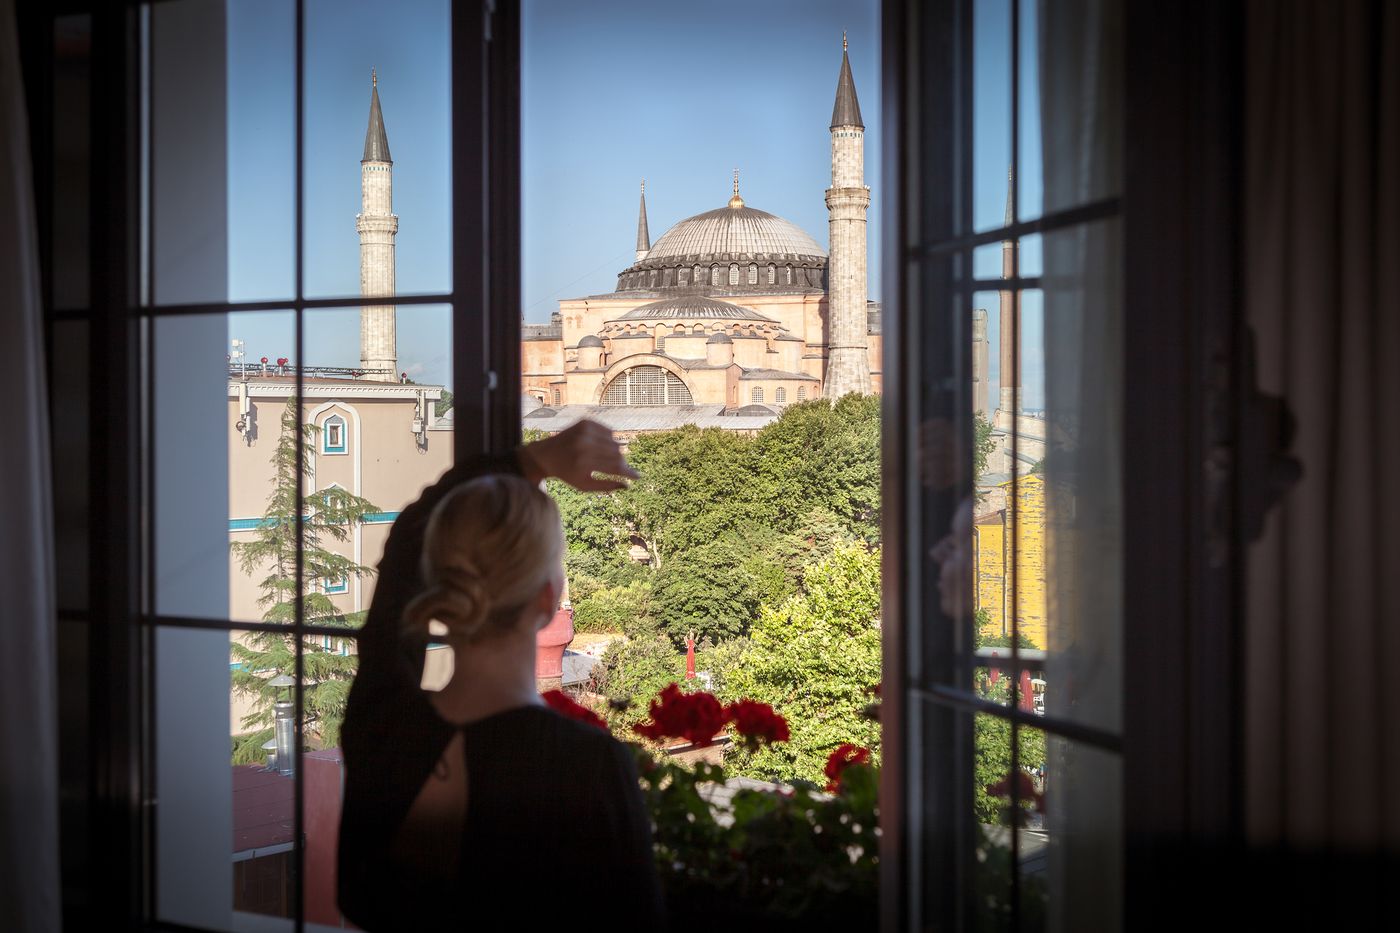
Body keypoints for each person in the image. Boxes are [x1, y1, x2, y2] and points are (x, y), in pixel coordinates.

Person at [338, 421, 664, 929]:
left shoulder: (380, 724)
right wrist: (532, 463)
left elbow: (404, 548)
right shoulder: (589, 767)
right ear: (548, 597)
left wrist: (530, 459)